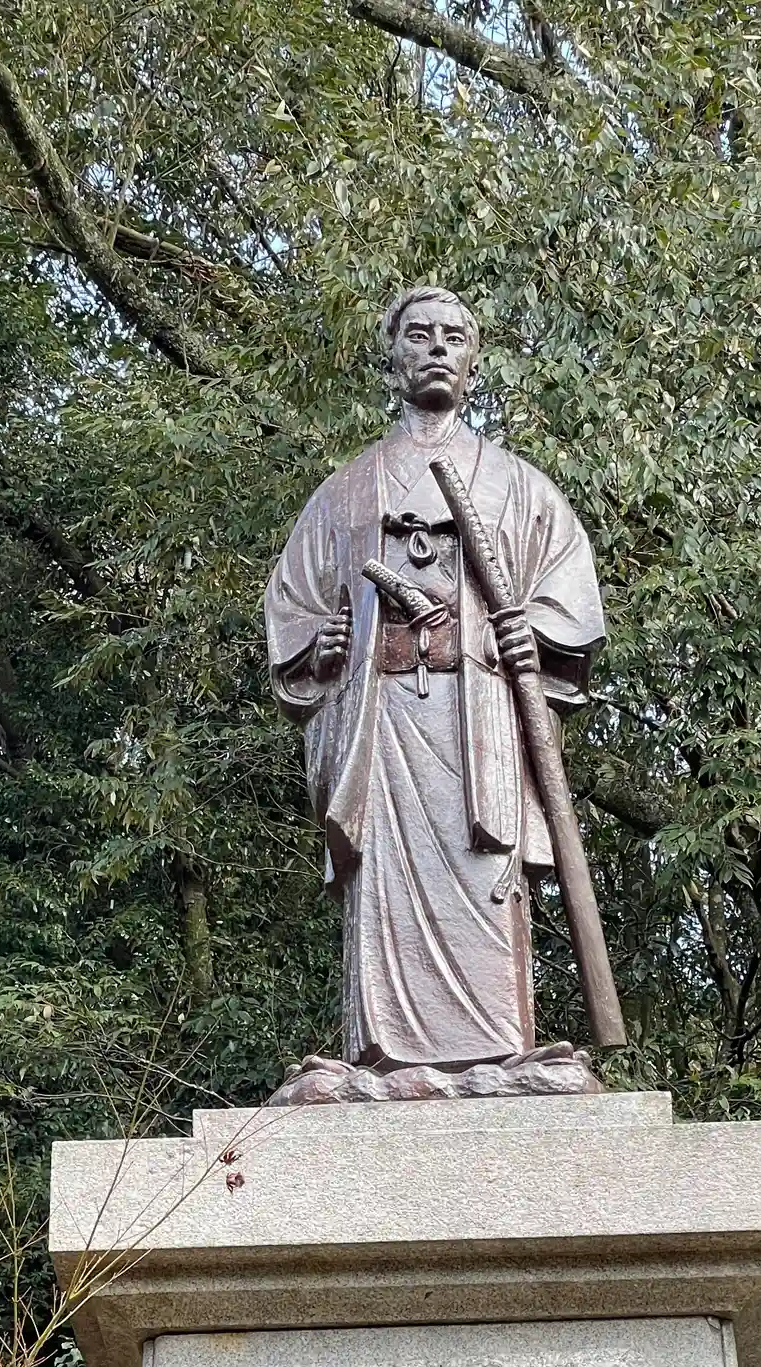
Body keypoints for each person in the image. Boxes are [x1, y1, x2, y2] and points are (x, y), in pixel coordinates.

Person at [264, 286, 605, 1071]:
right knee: (385, 880)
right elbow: (294, 604)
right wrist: (323, 643)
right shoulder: (346, 492)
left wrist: (530, 629)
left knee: (485, 876)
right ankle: (386, 1056)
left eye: (454, 337)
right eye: (419, 335)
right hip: (383, 723)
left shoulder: (519, 487)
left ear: (474, 365)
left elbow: (568, 596)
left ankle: (499, 1049)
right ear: (393, 362)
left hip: (478, 715)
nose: (438, 348)